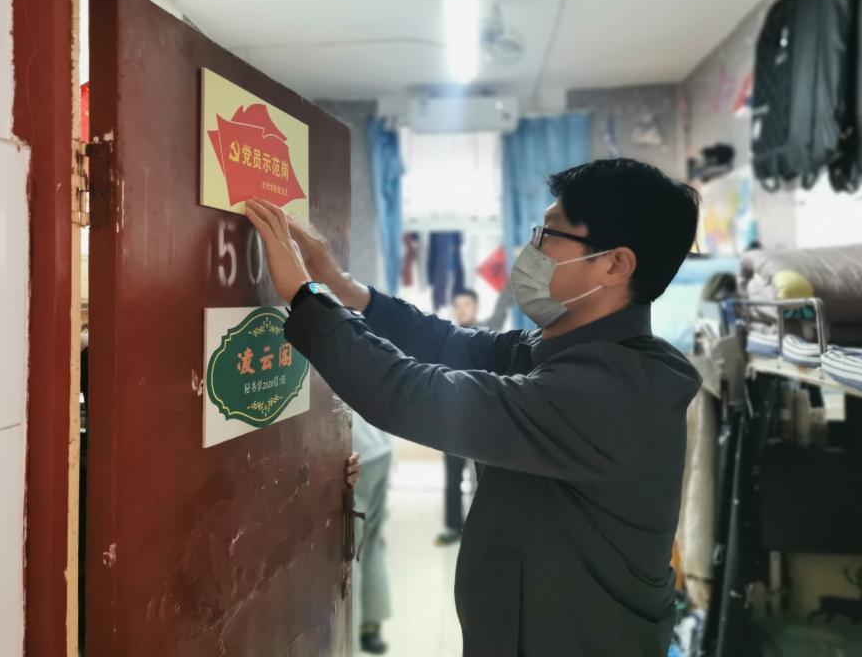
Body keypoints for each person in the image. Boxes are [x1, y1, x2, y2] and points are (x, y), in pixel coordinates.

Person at [245, 157, 702, 656]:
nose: (531, 250)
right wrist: (343, 287)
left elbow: (410, 393)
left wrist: (306, 296)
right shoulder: (561, 350)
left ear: (615, 264)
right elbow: (446, 343)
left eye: (549, 234)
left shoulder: (616, 392)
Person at [436, 289, 481, 547]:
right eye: (458, 305)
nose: (462, 309)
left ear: (476, 307)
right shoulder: (448, 342)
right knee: (452, 479)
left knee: (480, 480)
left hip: (481, 424)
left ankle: (477, 530)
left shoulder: (488, 340)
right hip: (452, 424)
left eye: (467, 304)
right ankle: (453, 526)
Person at [350, 411, 394, 654]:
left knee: (352, 548)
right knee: (372, 541)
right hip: (381, 447)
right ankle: (371, 626)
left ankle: (349, 632)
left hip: (356, 455)